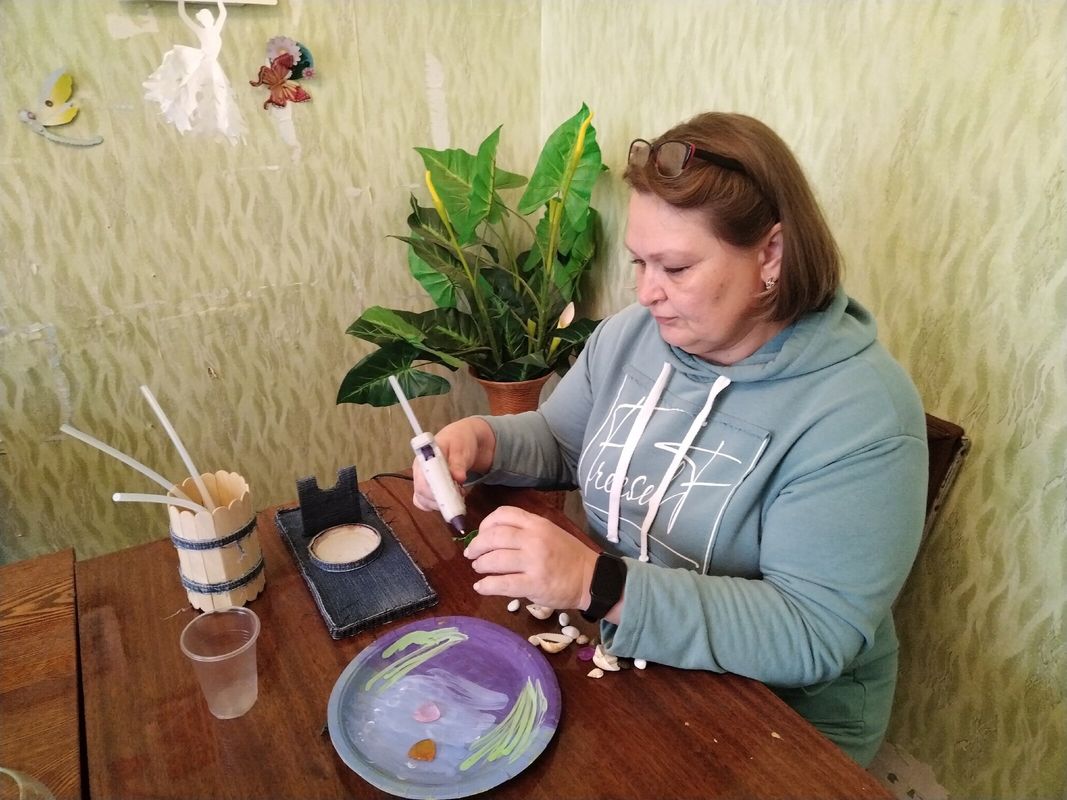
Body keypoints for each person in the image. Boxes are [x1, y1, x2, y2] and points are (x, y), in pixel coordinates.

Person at [412, 111, 928, 766]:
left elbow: (810, 632)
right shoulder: (633, 336)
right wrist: (481, 441)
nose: (646, 293)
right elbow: (563, 440)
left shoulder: (861, 415)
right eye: (639, 261)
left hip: (783, 722)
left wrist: (598, 584)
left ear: (770, 255)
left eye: (676, 267)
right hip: (632, 656)